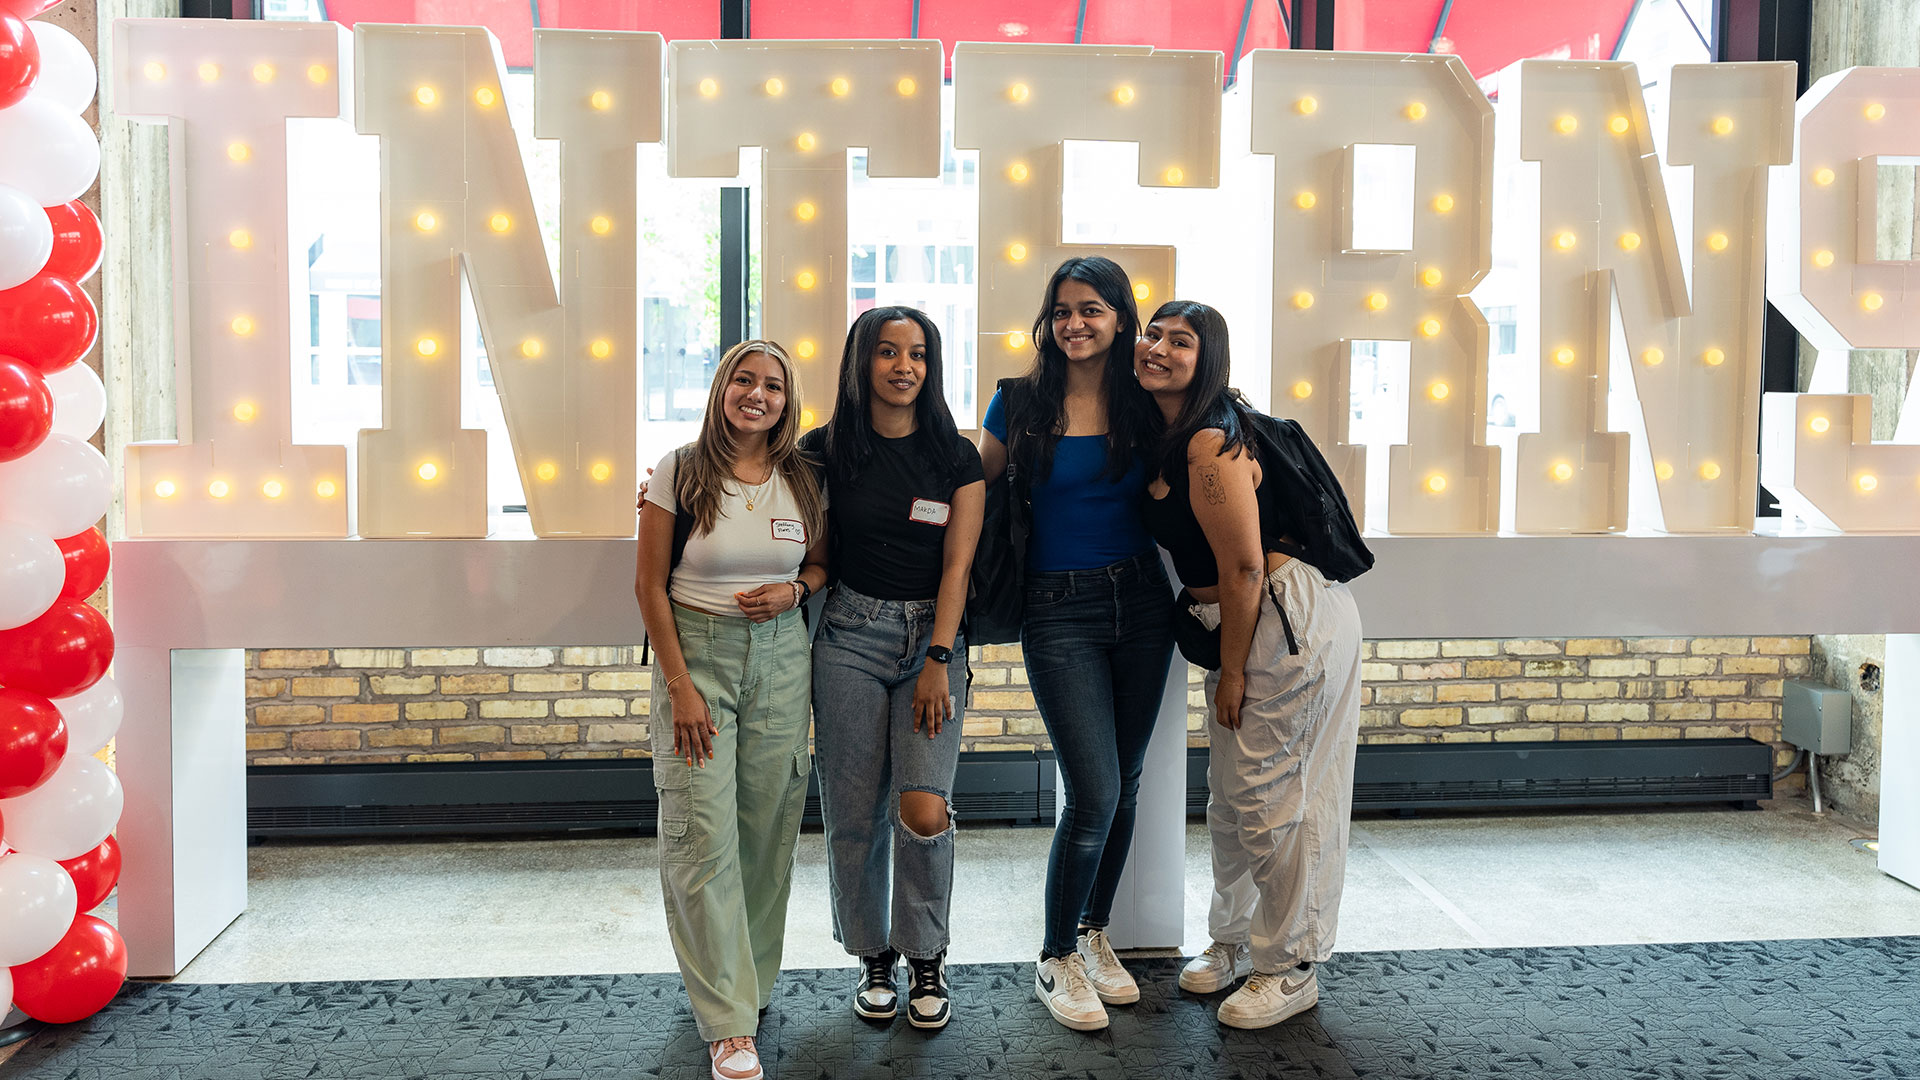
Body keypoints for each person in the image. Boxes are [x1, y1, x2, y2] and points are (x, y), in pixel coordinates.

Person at [1133, 301, 1365, 1029]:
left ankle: (1291, 965)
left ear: (1210, 360)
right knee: (1232, 803)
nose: (1159, 347)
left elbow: (1240, 569)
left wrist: (1232, 671)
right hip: (1244, 626)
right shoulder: (1169, 436)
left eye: (1181, 341)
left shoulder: (1209, 441)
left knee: (1276, 803)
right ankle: (1234, 941)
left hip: (1277, 622)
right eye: (1154, 333)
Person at [979, 256, 1176, 1032]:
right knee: (1092, 790)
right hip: (1055, 609)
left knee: (1123, 783)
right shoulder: (1020, 402)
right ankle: (1056, 953)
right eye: (1062, 310)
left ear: (1122, 318)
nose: (1075, 323)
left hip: (1143, 603)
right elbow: (967, 477)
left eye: (1092, 309)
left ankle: (1095, 933)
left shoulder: (1148, 402)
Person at [634, 339, 829, 1080]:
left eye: (772, 386)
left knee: (767, 829)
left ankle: (745, 987)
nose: (757, 394)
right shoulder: (681, 470)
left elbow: (819, 563)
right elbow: (650, 585)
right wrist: (680, 686)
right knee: (701, 834)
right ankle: (726, 1023)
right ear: (722, 389)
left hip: (782, 656)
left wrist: (798, 591)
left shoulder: (805, 477)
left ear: (788, 400)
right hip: (700, 659)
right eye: (744, 380)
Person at [801, 306, 984, 1030]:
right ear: (862, 362)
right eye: (887, 352)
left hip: (930, 644)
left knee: (923, 808)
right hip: (848, 633)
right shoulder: (826, 448)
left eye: (917, 354)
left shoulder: (954, 454)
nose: (904, 366)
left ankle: (927, 955)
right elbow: (753, 482)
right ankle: (874, 955)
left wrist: (939, 654)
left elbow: (959, 563)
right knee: (853, 813)